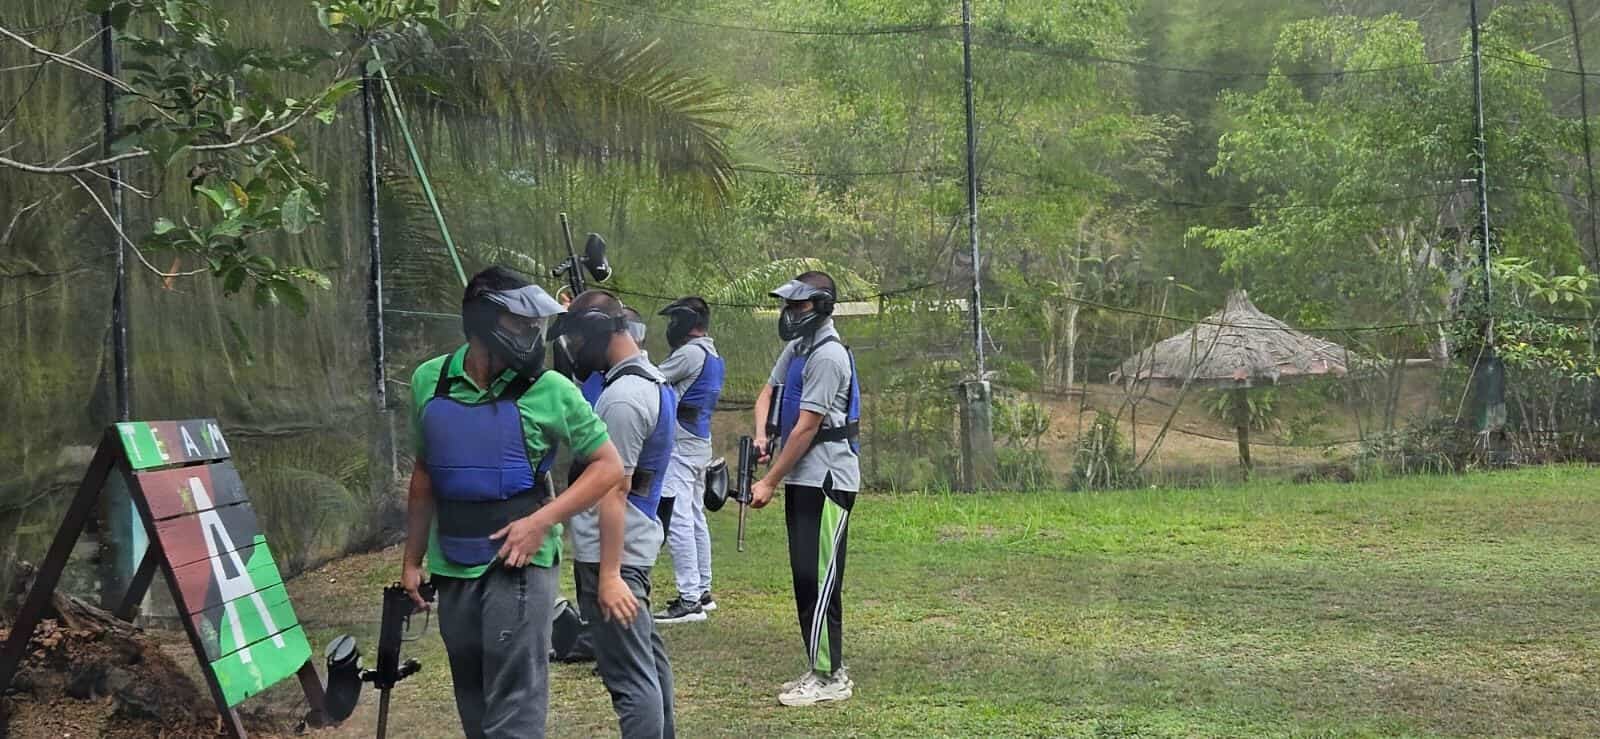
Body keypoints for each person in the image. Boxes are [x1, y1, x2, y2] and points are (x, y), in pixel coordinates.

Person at [402, 267, 627, 738]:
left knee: (514, 710)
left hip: (519, 565)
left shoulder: (551, 390)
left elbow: (609, 467)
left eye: (535, 325)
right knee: (473, 705)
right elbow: (424, 474)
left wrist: (541, 521)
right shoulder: (430, 381)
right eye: (521, 323)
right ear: (484, 319)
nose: (533, 335)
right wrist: (412, 560)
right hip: (453, 561)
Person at [552, 289, 678, 738]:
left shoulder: (623, 398)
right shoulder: (649, 381)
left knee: (629, 680)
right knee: (646, 663)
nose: (575, 351)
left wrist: (608, 577)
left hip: (616, 553)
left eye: (578, 339)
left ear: (598, 334)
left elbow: (614, 491)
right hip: (632, 546)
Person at [750, 271, 862, 707]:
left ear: (822, 307)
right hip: (804, 477)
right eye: (789, 305)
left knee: (820, 581)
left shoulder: (829, 356)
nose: (791, 313)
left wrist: (768, 480)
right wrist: (761, 433)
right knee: (804, 578)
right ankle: (822, 667)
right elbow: (768, 391)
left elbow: (807, 428)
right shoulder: (799, 349)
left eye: (800, 305)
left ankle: (830, 676)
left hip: (828, 480)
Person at [651, 297, 724, 624]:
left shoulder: (691, 353)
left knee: (678, 517)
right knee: (694, 516)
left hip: (681, 443)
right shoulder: (712, 353)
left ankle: (690, 599)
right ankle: (702, 591)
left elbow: (651, 378)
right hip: (697, 441)